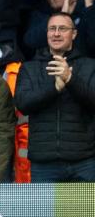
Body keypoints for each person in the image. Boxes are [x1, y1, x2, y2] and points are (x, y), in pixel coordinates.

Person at [15, 12, 95, 182]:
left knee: (84, 210)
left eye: (62, 29)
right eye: (52, 29)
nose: (56, 33)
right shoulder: (30, 68)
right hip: (44, 162)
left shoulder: (90, 65)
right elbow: (22, 103)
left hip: (84, 160)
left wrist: (70, 79)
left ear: (74, 34)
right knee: (47, 210)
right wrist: (54, 88)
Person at [23, 0, 95, 58]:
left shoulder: (85, 7)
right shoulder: (40, 14)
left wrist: (89, 6)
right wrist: (64, 14)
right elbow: (30, 41)